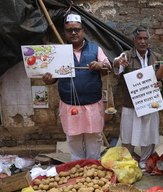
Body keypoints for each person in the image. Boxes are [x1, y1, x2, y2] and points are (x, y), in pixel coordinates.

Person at [42, 13, 111, 161]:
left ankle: (93, 167)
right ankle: (78, 169)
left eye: (77, 29)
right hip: (69, 104)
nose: (73, 33)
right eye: (69, 30)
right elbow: (52, 79)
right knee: (73, 139)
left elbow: (108, 67)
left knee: (93, 138)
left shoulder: (95, 49)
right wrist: (48, 80)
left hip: (92, 103)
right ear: (65, 33)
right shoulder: (59, 52)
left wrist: (101, 65)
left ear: (83, 31)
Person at [113, 25, 162, 169]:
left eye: (145, 38)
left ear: (148, 41)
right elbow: (116, 68)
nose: (142, 41)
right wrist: (117, 62)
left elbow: (161, 77)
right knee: (128, 134)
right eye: (139, 38)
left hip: (150, 103)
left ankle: (145, 162)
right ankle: (128, 162)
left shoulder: (156, 57)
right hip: (131, 104)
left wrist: (160, 83)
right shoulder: (126, 56)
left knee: (149, 134)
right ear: (134, 40)